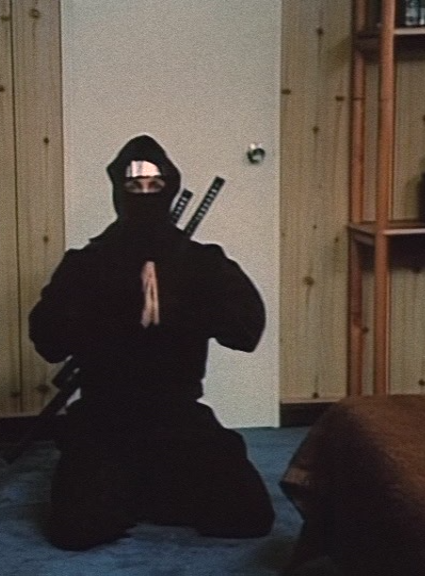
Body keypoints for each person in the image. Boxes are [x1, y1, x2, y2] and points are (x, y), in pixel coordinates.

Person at [29, 134, 274, 551]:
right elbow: (47, 338)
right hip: (106, 415)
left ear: (170, 189)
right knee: (76, 529)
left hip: (176, 414)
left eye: (154, 185)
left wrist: (179, 309)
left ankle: (146, 492)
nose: (144, 195)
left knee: (247, 516)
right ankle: (134, 490)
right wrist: (115, 312)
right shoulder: (86, 263)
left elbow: (246, 330)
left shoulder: (200, 261)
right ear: (118, 192)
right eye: (134, 185)